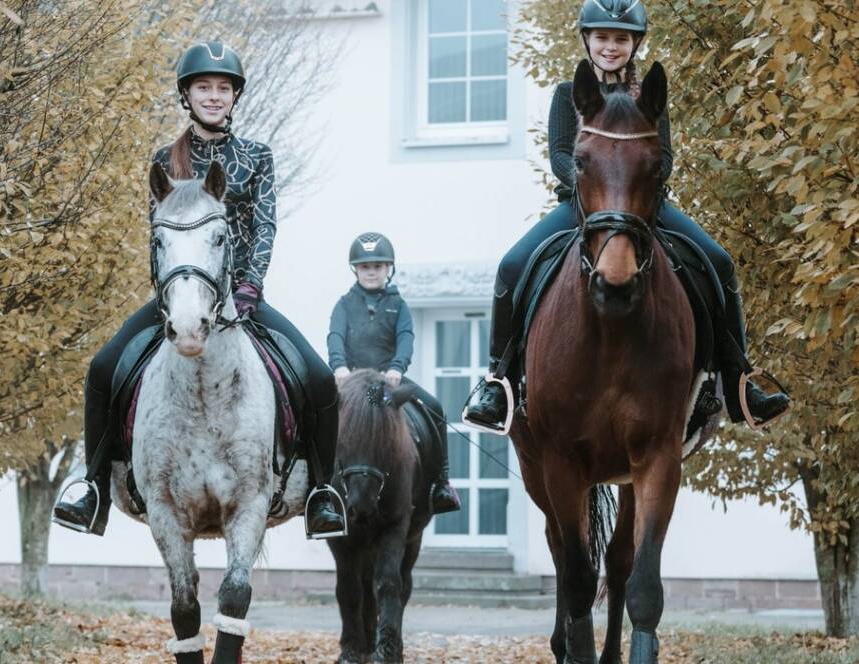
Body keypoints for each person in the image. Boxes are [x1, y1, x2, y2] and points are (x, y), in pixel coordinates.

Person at [53, 41, 345, 538]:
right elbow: (158, 241)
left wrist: (250, 286)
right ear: (186, 96)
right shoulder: (165, 161)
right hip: (178, 300)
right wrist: (170, 297)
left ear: (234, 97)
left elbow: (264, 228)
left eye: (223, 88)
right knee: (103, 369)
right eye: (204, 87)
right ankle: (94, 486)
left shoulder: (256, 157)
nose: (214, 96)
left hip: (240, 299)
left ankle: (321, 490)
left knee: (318, 379)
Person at [464, 0, 790, 431]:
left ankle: (738, 382)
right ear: (587, 39)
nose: (610, 46)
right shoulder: (568, 93)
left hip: (643, 208)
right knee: (511, 265)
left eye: (620, 39)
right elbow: (560, 154)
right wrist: (597, 184)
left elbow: (665, 157)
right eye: (602, 37)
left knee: (720, 261)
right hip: (583, 207)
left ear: (635, 43)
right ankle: (499, 382)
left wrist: (630, 187)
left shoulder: (647, 97)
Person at [328, 233, 460, 514]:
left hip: (386, 386)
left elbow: (406, 338)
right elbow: (335, 336)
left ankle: (441, 483)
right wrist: (339, 366)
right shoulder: (344, 304)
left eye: (377, 266)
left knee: (435, 407)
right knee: (320, 414)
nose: (371, 272)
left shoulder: (398, 305)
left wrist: (396, 368)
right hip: (352, 385)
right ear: (355, 270)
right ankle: (319, 490)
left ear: (388, 268)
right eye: (365, 267)